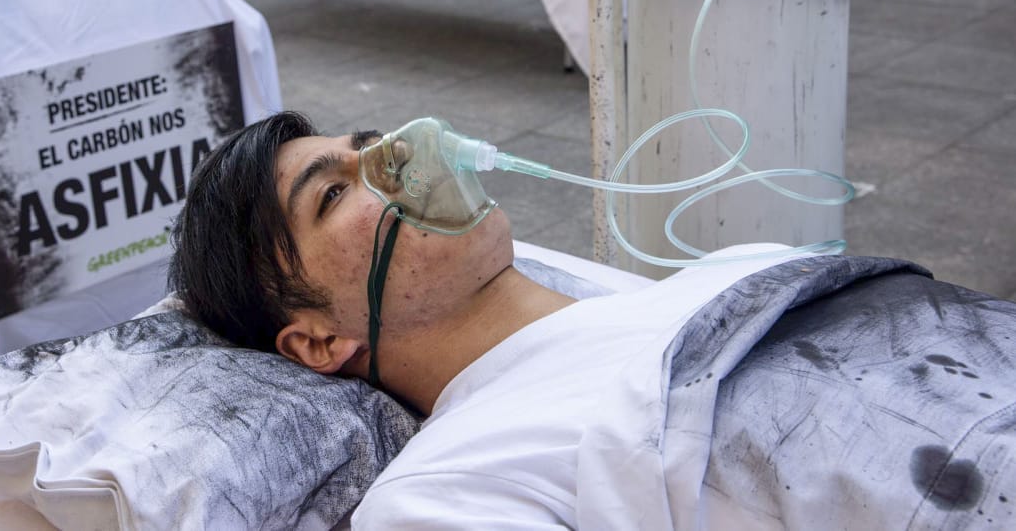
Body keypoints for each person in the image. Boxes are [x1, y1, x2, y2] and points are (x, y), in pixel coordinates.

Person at [169, 110, 1016, 528]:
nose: (398, 156)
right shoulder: (447, 486)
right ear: (318, 341)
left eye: (370, 142)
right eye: (335, 190)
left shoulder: (717, 277)